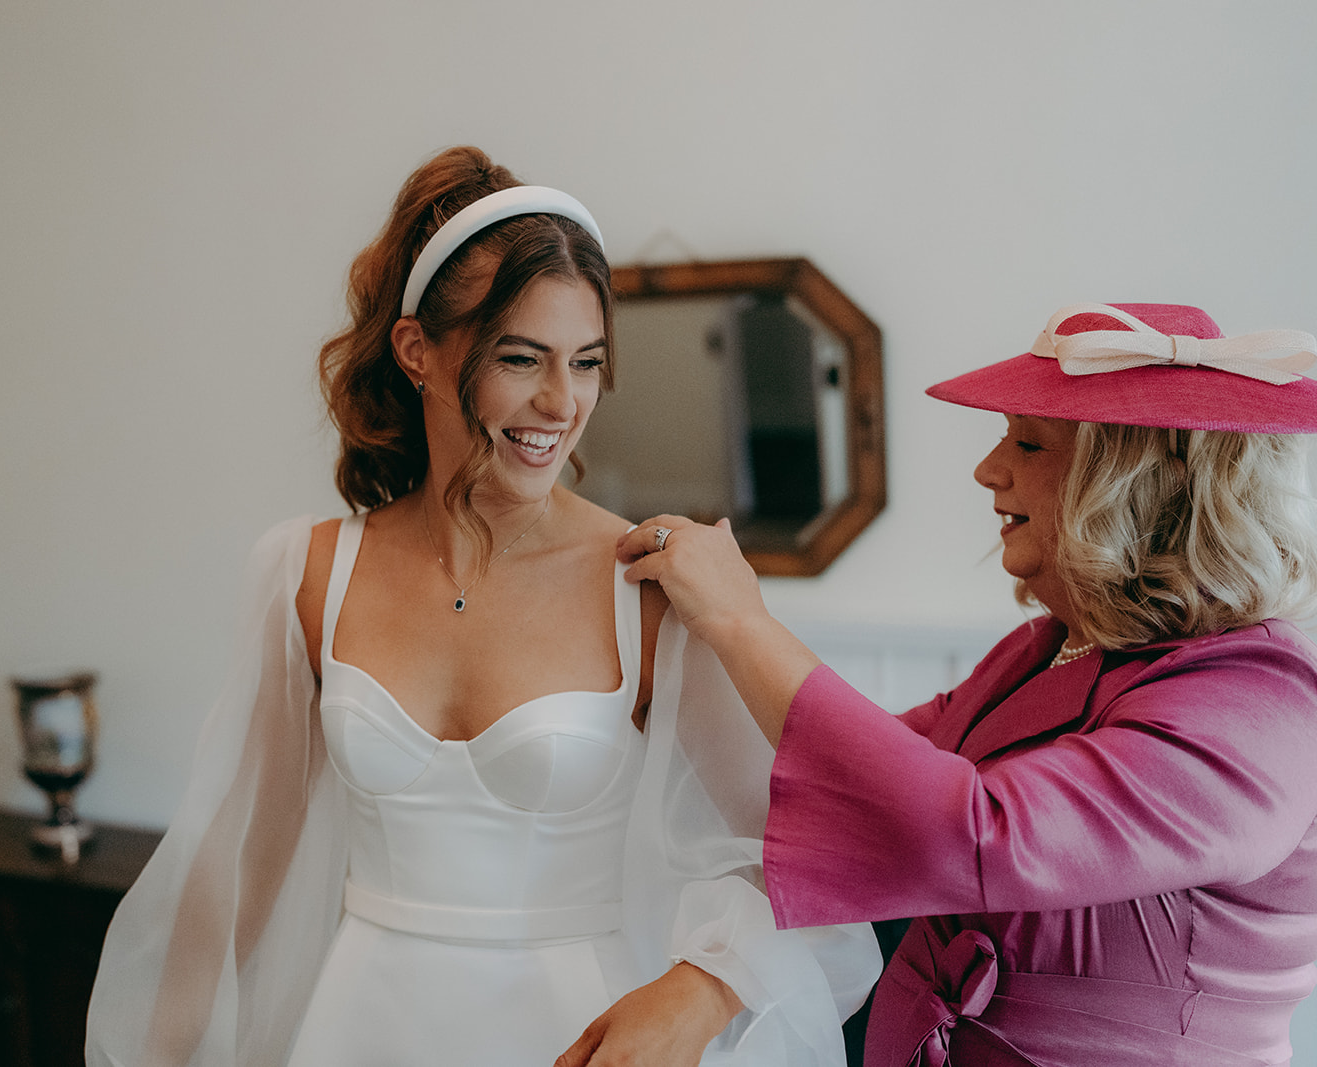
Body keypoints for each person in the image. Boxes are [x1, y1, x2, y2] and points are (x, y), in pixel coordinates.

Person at [84, 146, 880, 1067]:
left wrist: (705, 988)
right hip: (362, 1029)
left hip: (572, 1034)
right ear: (416, 350)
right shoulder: (306, 572)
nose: (561, 401)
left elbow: (803, 864)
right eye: (521, 357)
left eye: (586, 362)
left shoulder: (650, 587)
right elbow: (235, 879)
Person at [619, 301, 1317, 1066]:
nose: (988, 469)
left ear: (1137, 483)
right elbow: (832, 791)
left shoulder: (1259, 703)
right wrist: (668, 664)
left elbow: (972, 834)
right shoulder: (1045, 651)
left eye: (1028, 441)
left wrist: (742, 622)